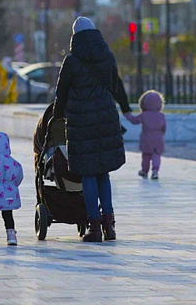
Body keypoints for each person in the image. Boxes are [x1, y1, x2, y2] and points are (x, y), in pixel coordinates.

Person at [53, 17, 132, 243]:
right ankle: (110, 226)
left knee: (88, 174)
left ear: (74, 36)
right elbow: (117, 86)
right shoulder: (107, 56)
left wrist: (57, 117)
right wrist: (126, 110)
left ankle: (94, 227)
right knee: (103, 173)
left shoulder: (71, 61)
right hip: (106, 118)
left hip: (81, 123)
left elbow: (61, 94)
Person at [125, 91, 166, 180]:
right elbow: (164, 128)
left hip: (146, 138)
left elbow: (134, 121)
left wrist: (127, 114)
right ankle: (155, 171)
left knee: (146, 156)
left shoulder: (144, 115)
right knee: (156, 155)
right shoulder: (161, 115)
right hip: (158, 138)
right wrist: (161, 133)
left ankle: (144, 171)